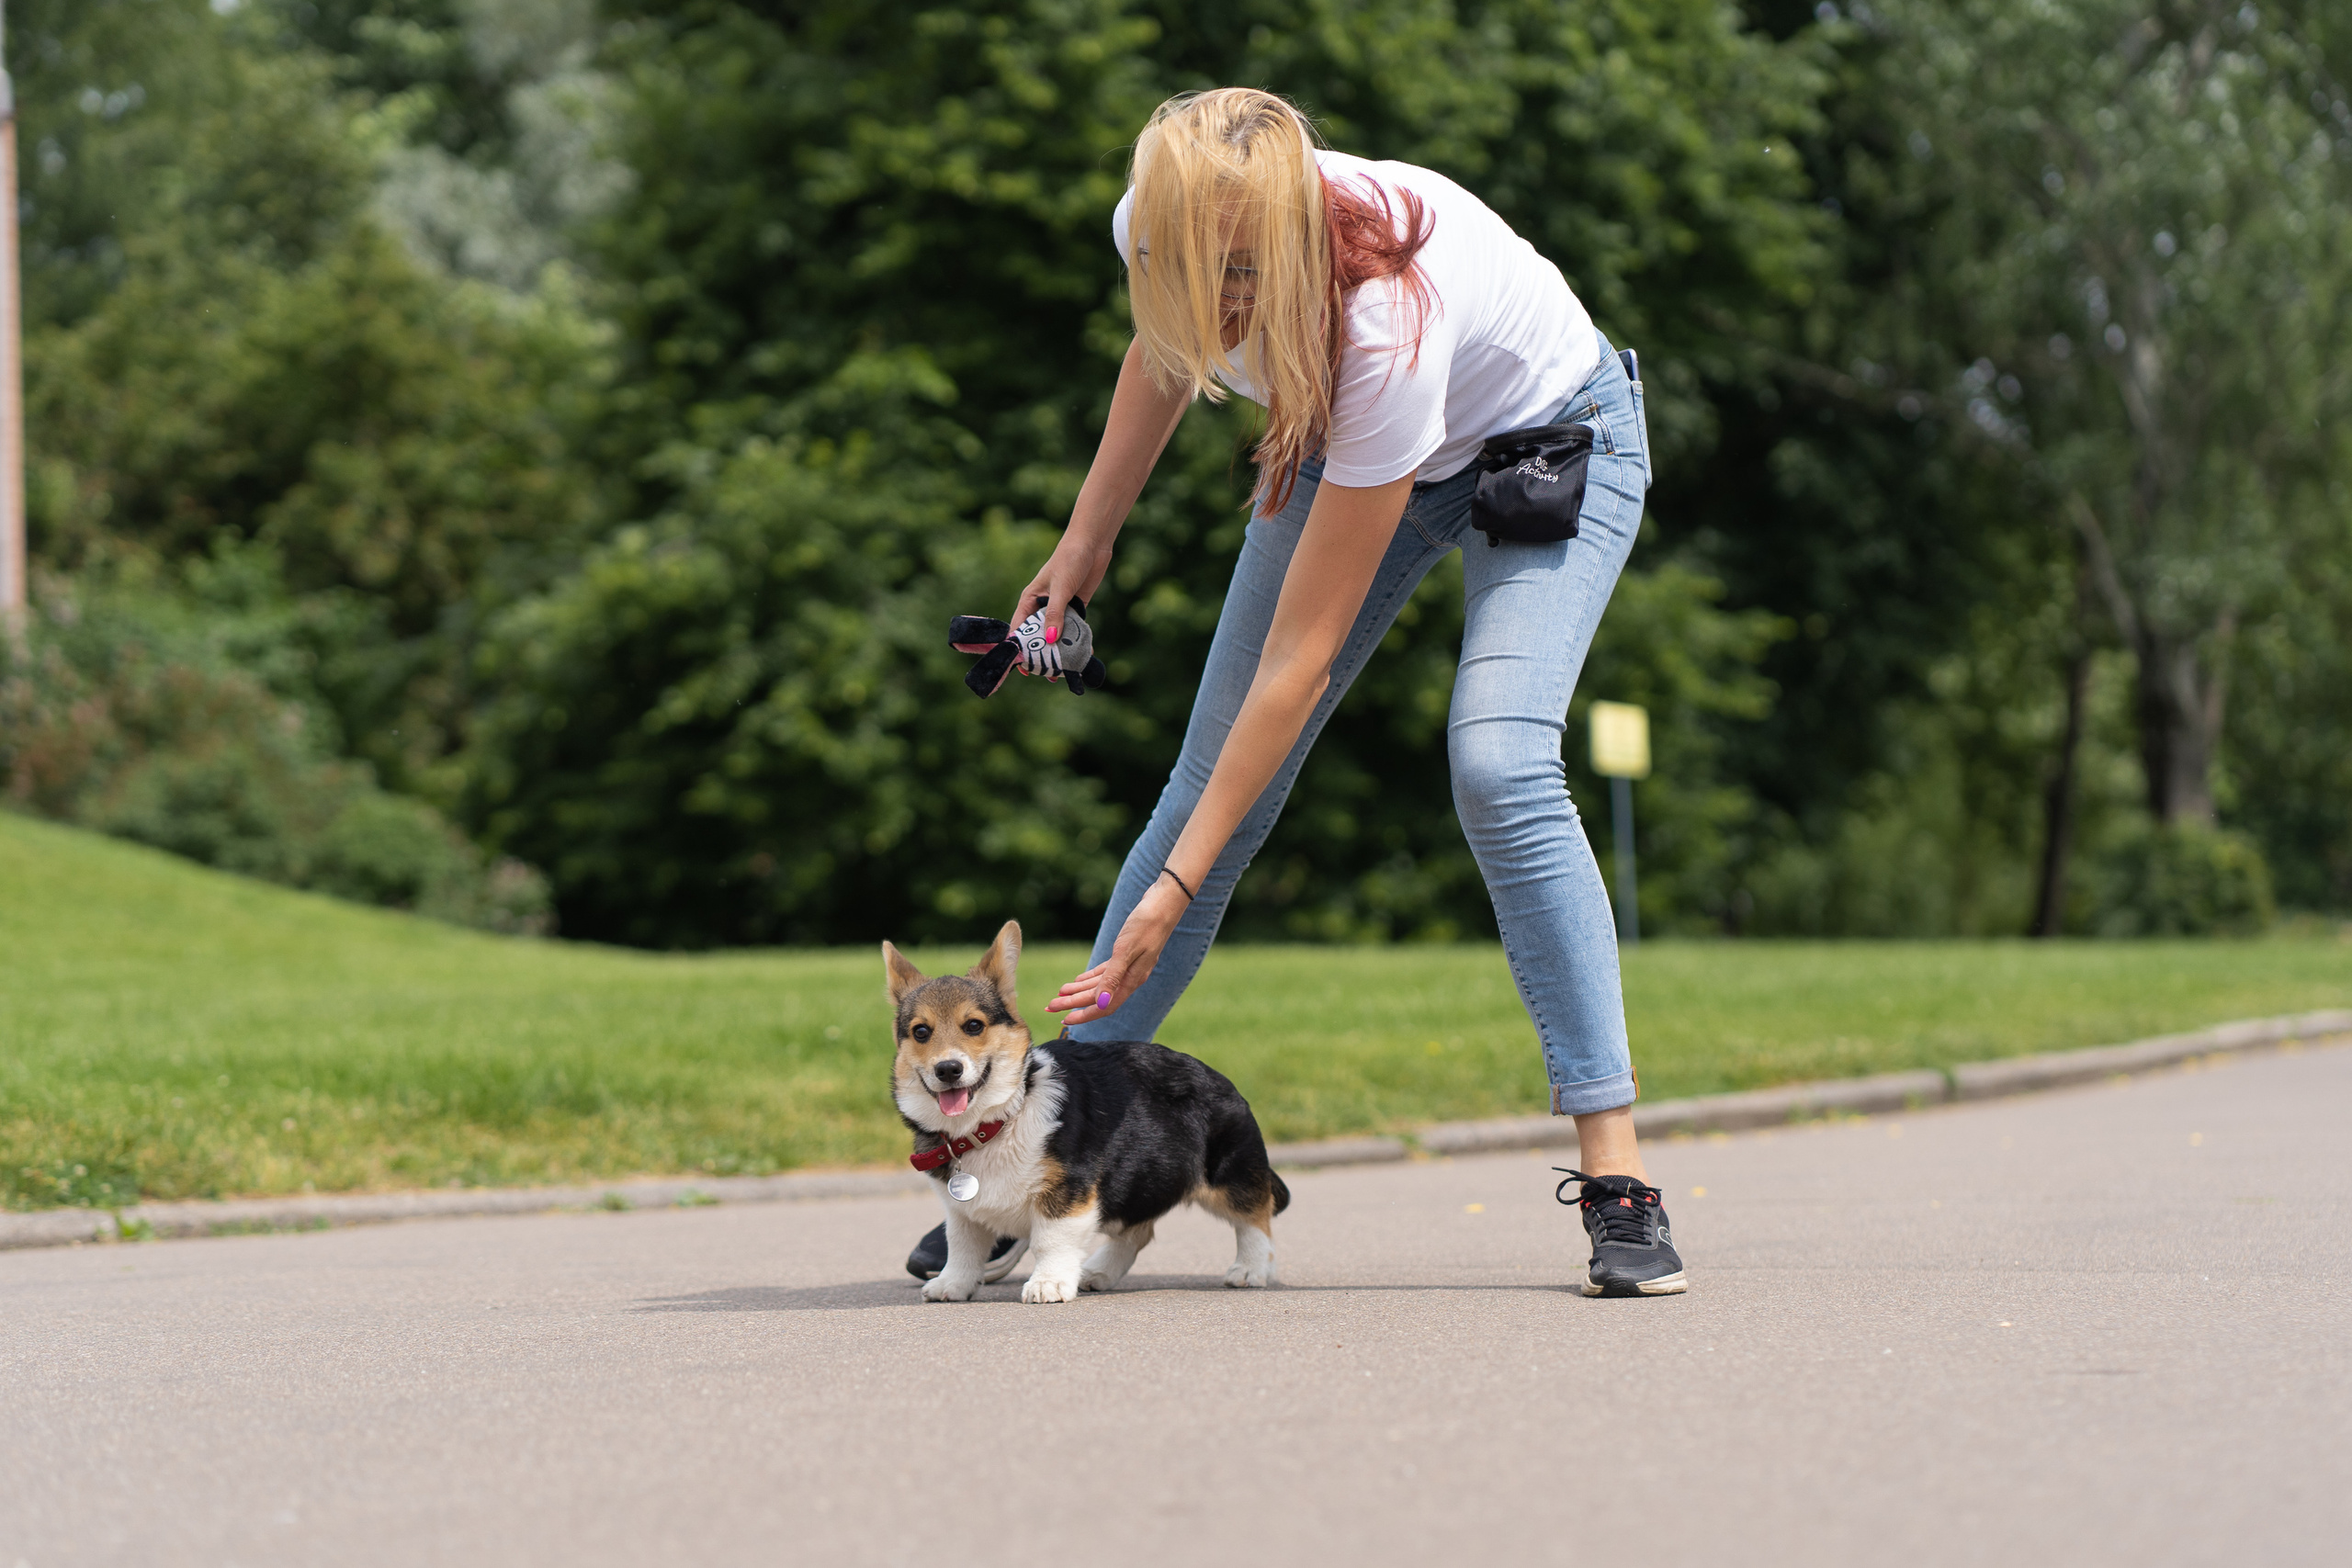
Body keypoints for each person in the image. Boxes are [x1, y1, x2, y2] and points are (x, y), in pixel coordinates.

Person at [908, 86, 1683, 1298]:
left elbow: (1298, 663)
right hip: (1344, 431)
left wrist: (1174, 889)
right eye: (1199, 273)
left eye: (1248, 275)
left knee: (1500, 760)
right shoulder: (1153, 226)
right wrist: (1088, 535)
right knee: (1205, 790)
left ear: (1292, 231)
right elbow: (1166, 355)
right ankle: (1045, 1149)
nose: (1225, 306)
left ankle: (1619, 1174)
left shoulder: (1387, 316)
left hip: (1546, 437)